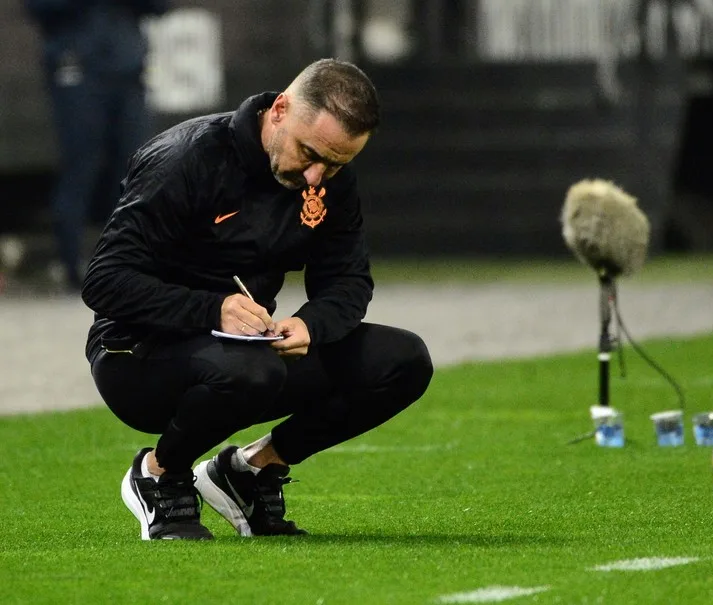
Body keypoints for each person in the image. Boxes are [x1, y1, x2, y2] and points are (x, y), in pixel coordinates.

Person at [81, 59, 434, 540]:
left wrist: (313, 323)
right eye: (310, 153)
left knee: (403, 360)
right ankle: (158, 475)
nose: (316, 175)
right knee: (252, 370)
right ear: (280, 109)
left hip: (243, 355)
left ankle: (249, 470)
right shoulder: (187, 158)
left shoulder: (327, 177)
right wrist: (213, 308)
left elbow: (348, 279)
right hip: (136, 355)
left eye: (335, 163)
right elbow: (104, 280)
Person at [23, 0, 169, 290]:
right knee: (81, 165)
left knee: (136, 168)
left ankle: (131, 263)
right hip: (77, 67)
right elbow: (38, 8)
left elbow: (160, 6)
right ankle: (71, 264)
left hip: (127, 70)